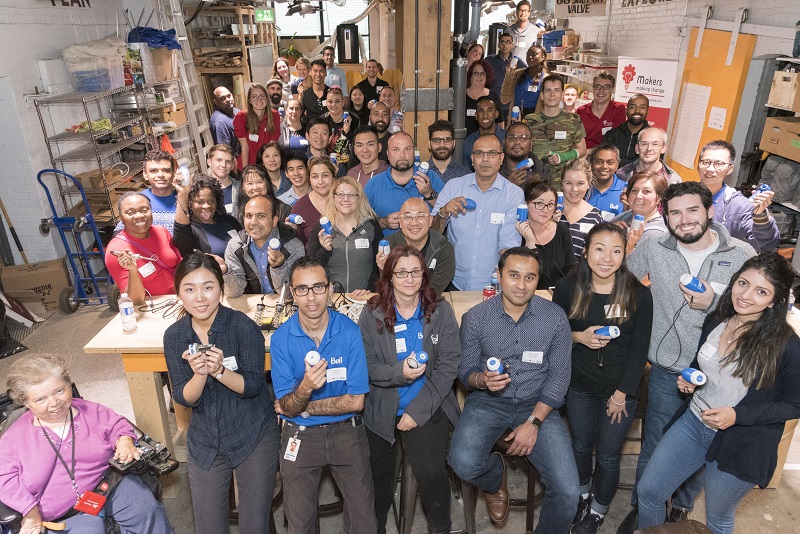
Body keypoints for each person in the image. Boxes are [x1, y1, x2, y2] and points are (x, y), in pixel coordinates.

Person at [617, 182, 755, 534]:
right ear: (665, 216)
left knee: (704, 449)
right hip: (666, 368)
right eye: (675, 212)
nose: (684, 219)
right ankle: (645, 510)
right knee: (656, 444)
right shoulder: (653, 245)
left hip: (720, 376)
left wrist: (714, 302)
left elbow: (764, 308)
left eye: (692, 210)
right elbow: (623, 281)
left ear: (709, 211)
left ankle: (680, 509)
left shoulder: (741, 254)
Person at [637, 252, 800, 533]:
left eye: (761, 291)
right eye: (743, 283)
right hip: (692, 423)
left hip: (740, 441)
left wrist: (737, 415)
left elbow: (795, 404)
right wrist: (690, 381)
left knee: (718, 517)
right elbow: (700, 363)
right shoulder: (717, 320)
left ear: (774, 301)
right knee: (649, 492)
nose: (746, 295)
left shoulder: (786, 345)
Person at [448, 246, 580, 531]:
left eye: (530, 278)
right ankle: (495, 479)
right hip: (488, 402)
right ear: (499, 275)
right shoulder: (476, 318)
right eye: (514, 275)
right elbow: (465, 371)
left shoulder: (555, 318)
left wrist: (533, 422)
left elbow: (559, 378)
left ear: (538, 280)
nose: (521, 285)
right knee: (462, 462)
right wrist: (481, 380)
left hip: (538, 403)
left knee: (569, 493)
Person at [164, 252, 279, 534]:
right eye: (189, 289)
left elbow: (254, 387)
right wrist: (201, 374)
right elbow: (182, 397)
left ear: (220, 288)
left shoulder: (243, 327)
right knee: (209, 527)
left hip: (252, 430)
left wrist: (220, 371)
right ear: (179, 293)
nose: (200, 298)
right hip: (206, 438)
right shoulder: (175, 335)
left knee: (254, 526)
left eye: (208, 287)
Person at [552, 223, 653, 534]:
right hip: (578, 385)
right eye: (599, 248)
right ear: (586, 251)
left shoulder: (638, 293)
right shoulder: (568, 287)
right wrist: (578, 337)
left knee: (608, 457)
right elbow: (554, 336)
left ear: (625, 254)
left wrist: (622, 392)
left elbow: (640, 350)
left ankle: (596, 512)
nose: (607, 257)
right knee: (581, 446)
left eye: (616, 250)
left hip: (619, 390)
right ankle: (583, 496)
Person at [0, 354, 172, 534]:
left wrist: (124, 441)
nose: (54, 403)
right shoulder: (14, 438)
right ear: (26, 402)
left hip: (107, 485)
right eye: (40, 399)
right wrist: (29, 510)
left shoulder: (91, 411)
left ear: (69, 384)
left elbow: (118, 425)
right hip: (62, 513)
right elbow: (4, 478)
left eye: (59, 391)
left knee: (146, 511)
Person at [270, 256, 377, 534]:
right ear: (292, 294)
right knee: (300, 524)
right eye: (302, 289)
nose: (311, 297)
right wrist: (305, 387)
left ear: (330, 290)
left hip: (346, 432)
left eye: (318, 287)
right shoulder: (281, 339)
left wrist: (304, 405)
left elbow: (355, 401)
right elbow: (287, 410)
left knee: (366, 523)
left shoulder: (350, 332)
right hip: (300, 435)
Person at [359, 245, 461, 534]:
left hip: (427, 404)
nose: (409, 278)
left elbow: (448, 365)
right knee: (376, 478)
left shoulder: (439, 310)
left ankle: (440, 528)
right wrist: (398, 373)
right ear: (389, 276)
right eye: (401, 272)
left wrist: (418, 412)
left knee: (430, 473)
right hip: (382, 405)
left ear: (424, 275)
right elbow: (367, 367)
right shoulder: (371, 314)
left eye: (415, 271)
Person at [432, 134, 523, 290]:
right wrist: (443, 212)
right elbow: (431, 234)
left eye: (492, 153)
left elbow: (509, 245)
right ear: (472, 159)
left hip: (494, 283)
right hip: (453, 281)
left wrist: (508, 277)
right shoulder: (453, 187)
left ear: (501, 158)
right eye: (479, 153)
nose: (485, 159)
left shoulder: (513, 194)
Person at [697, 140, 780, 252]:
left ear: (730, 169)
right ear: (698, 165)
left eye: (719, 164)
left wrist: (760, 215)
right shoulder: (682, 196)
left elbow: (766, 245)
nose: (710, 169)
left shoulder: (739, 206)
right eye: (706, 162)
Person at [307, 177, 382, 292]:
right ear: (333, 198)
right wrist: (325, 250)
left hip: (364, 297)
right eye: (341, 194)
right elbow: (310, 268)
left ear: (359, 198)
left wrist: (370, 289)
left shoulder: (371, 225)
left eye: (351, 195)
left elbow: (380, 265)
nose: (346, 199)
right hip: (331, 298)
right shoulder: (321, 228)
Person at [105, 192, 181, 304]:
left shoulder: (161, 231)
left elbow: (180, 264)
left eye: (144, 210)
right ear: (121, 218)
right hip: (153, 307)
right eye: (130, 213)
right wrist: (133, 270)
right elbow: (135, 300)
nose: (140, 216)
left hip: (180, 299)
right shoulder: (117, 251)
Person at [223, 195, 305, 297]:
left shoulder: (293, 246)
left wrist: (279, 267)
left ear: (274, 221)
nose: (253, 222)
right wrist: (225, 271)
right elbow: (234, 293)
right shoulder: (235, 246)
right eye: (248, 216)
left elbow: (290, 294)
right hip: (252, 307)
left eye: (261, 216)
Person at [365, 132, 445, 236]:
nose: (402, 155)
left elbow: (447, 213)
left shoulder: (430, 177)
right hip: (388, 250)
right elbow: (361, 224)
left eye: (407, 149)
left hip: (425, 250)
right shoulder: (374, 184)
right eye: (396, 150)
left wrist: (430, 194)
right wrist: (383, 223)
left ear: (414, 153)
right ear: (388, 154)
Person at [377, 197, 456, 294]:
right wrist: (384, 272)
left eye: (420, 216)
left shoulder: (443, 248)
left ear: (430, 220)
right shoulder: (388, 247)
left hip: (429, 303)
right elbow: (386, 290)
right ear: (400, 222)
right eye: (408, 217)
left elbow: (434, 291)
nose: (414, 223)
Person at [526, 74, 587, 190]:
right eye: (548, 90)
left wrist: (562, 157)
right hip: (537, 182)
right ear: (542, 95)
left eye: (556, 90)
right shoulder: (530, 120)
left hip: (564, 183)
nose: (552, 94)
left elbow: (582, 149)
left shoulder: (573, 119)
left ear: (562, 95)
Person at [516, 180, 577, 289]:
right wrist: (530, 243)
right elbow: (529, 275)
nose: (545, 210)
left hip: (554, 298)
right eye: (539, 203)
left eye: (550, 204)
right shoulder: (516, 232)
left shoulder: (562, 230)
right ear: (526, 204)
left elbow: (570, 271)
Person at [173, 173, 243, 261]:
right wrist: (183, 194)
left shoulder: (229, 221)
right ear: (190, 203)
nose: (207, 206)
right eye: (200, 202)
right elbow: (182, 237)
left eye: (211, 201)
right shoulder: (191, 231)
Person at [611, 170, 669, 253]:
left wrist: (629, 248)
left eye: (646, 191)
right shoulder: (625, 217)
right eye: (634, 190)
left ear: (659, 197)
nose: (638, 196)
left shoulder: (657, 236)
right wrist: (609, 231)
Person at [558, 158, 603, 258]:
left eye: (580, 183)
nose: (574, 189)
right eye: (568, 183)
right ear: (562, 183)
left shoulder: (595, 216)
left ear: (589, 184)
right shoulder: (548, 209)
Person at [233, 83, 280, 170]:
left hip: (267, 165)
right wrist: (246, 171)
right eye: (254, 96)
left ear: (267, 98)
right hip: (247, 164)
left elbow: (271, 145)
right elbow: (245, 147)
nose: (258, 99)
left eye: (262, 96)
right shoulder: (241, 116)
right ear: (250, 100)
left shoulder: (274, 115)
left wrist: (267, 167)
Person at [289, 156, 334, 245]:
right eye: (315, 177)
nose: (320, 181)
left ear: (334, 177)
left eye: (325, 175)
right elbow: (298, 245)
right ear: (309, 179)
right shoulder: (299, 207)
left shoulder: (345, 202)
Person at [133, 149, 179, 234]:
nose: (160, 175)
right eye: (153, 171)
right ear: (145, 175)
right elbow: (121, 233)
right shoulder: (137, 201)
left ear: (174, 172)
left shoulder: (184, 198)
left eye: (166, 170)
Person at [576, 73, 627, 149]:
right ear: (592, 88)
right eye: (597, 86)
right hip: (583, 155)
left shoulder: (618, 110)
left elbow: (616, 141)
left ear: (612, 89)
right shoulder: (581, 112)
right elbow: (576, 141)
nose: (601, 90)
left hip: (607, 155)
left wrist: (590, 152)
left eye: (606, 87)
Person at [616, 127, 682, 185]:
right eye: (644, 144)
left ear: (663, 149)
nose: (649, 148)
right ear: (637, 148)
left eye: (655, 144)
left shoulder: (673, 181)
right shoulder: (621, 174)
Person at [501, 45, 549, 121]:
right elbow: (504, 99)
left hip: (534, 118)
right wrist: (509, 75)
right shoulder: (518, 74)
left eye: (534, 54)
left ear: (543, 57)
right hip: (516, 114)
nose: (530, 57)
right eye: (528, 54)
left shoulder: (546, 79)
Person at [486, 32, 527, 119]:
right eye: (502, 42)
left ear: (512, 45)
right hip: (493, 104)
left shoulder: (518, 62)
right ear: (498, 45)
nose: (505, 45)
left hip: (510, 106)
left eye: (508, 42)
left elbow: (525, 80)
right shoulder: (489, 60)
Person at [498, 121, 551, 186]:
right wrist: (508, 185)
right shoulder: (494, 170)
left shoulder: (542, 173)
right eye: (512, 138)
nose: (517, 142)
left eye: (523, 138)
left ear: (531, 144)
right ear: (504, 142)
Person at [602, 94, 650, 167]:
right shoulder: (611, 135)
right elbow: (604, 160)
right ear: (626, 110)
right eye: (632, 107)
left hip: (640, 177)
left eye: (642, 107)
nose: (637, 111)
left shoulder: (653, 138)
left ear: (647, 111)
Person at [463, 96, 506, 170]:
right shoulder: (468, 142)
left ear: (496, 114)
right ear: (476, 115)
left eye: (489, 110)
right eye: (481, 111)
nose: (485, 115)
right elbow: (467, 173)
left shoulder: (507, 138)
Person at [323, 86, 359, 171]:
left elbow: (358, 145)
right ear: (326, 103)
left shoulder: (354, 119)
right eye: (330, 102)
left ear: (343, 102)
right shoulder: (323, 121)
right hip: (329, 168)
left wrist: (347, 133)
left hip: (350, 167)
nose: (333, 105)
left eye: (337, 101)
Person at [586, 144, 626, 221]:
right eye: (599, 162)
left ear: (617, 164)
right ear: (591, 163)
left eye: (610, 162)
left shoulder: (625, 190)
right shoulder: (582, 187)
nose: (604, 166)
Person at [464, 60, 503, 137]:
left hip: (489, 141)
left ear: (487, 76)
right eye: (475, 73)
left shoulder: (494, 96)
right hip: (465, 141)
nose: (479, 77)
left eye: (482, 73)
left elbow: (500, 123)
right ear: (470, 76)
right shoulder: (461, 96)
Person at [206, 144, 239, 215]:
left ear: (232, 165)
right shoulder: (201, 190)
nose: (223, 165)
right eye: (219, 160)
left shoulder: (241, 189)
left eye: (228, 161)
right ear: (209, 162)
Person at [209, 86, 240, 158]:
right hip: (234, 161)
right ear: (215, 102)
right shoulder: (219, 122)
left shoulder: (237, 111)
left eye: (229, 96)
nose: (228, 100)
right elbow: (225, 151)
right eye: (223, 98)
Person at [301, 59, 329, 123]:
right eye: (315, 71)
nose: (318, 74)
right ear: (310, 72)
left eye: (321, 71)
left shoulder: (331, 93)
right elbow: (301, 115)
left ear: (325, 73)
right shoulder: (305, 94)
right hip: (311, 129)